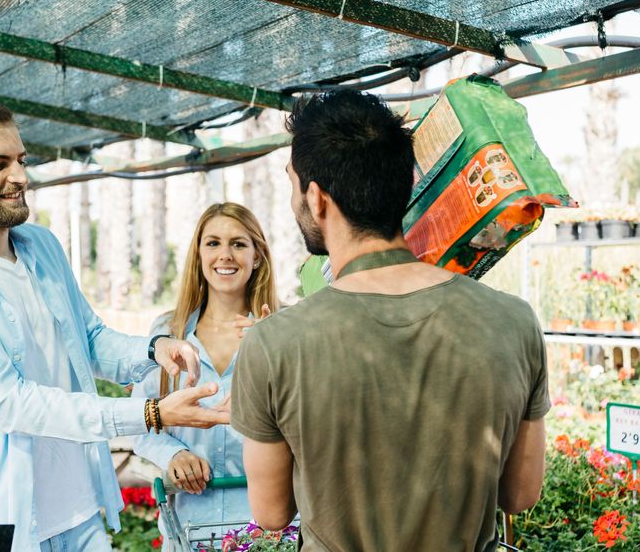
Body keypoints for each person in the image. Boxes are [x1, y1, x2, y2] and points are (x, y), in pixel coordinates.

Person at [0, 95, 230, 552]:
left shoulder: (41, 246)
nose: (20, 177)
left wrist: (154, 349)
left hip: (79, 510)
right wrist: (150, 415)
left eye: (21, 160)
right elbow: (12, 403)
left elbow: (87, 339)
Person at [231, 90, 549, 551]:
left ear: (317, 198)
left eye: (292, 183)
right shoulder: (514, 322)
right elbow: (519, 494)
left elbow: (272, 512)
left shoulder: (273, 344)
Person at [133, 202, 278, 550]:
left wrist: (276, 351)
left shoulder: (282, 330)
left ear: (257, 256)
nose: (225, 255)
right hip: (190, 527)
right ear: (198, 255)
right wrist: (173, 455)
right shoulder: (169, 333)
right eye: (213, 243)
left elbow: (311, 424)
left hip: (266, 529)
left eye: (239, 244)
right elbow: (140, 420)